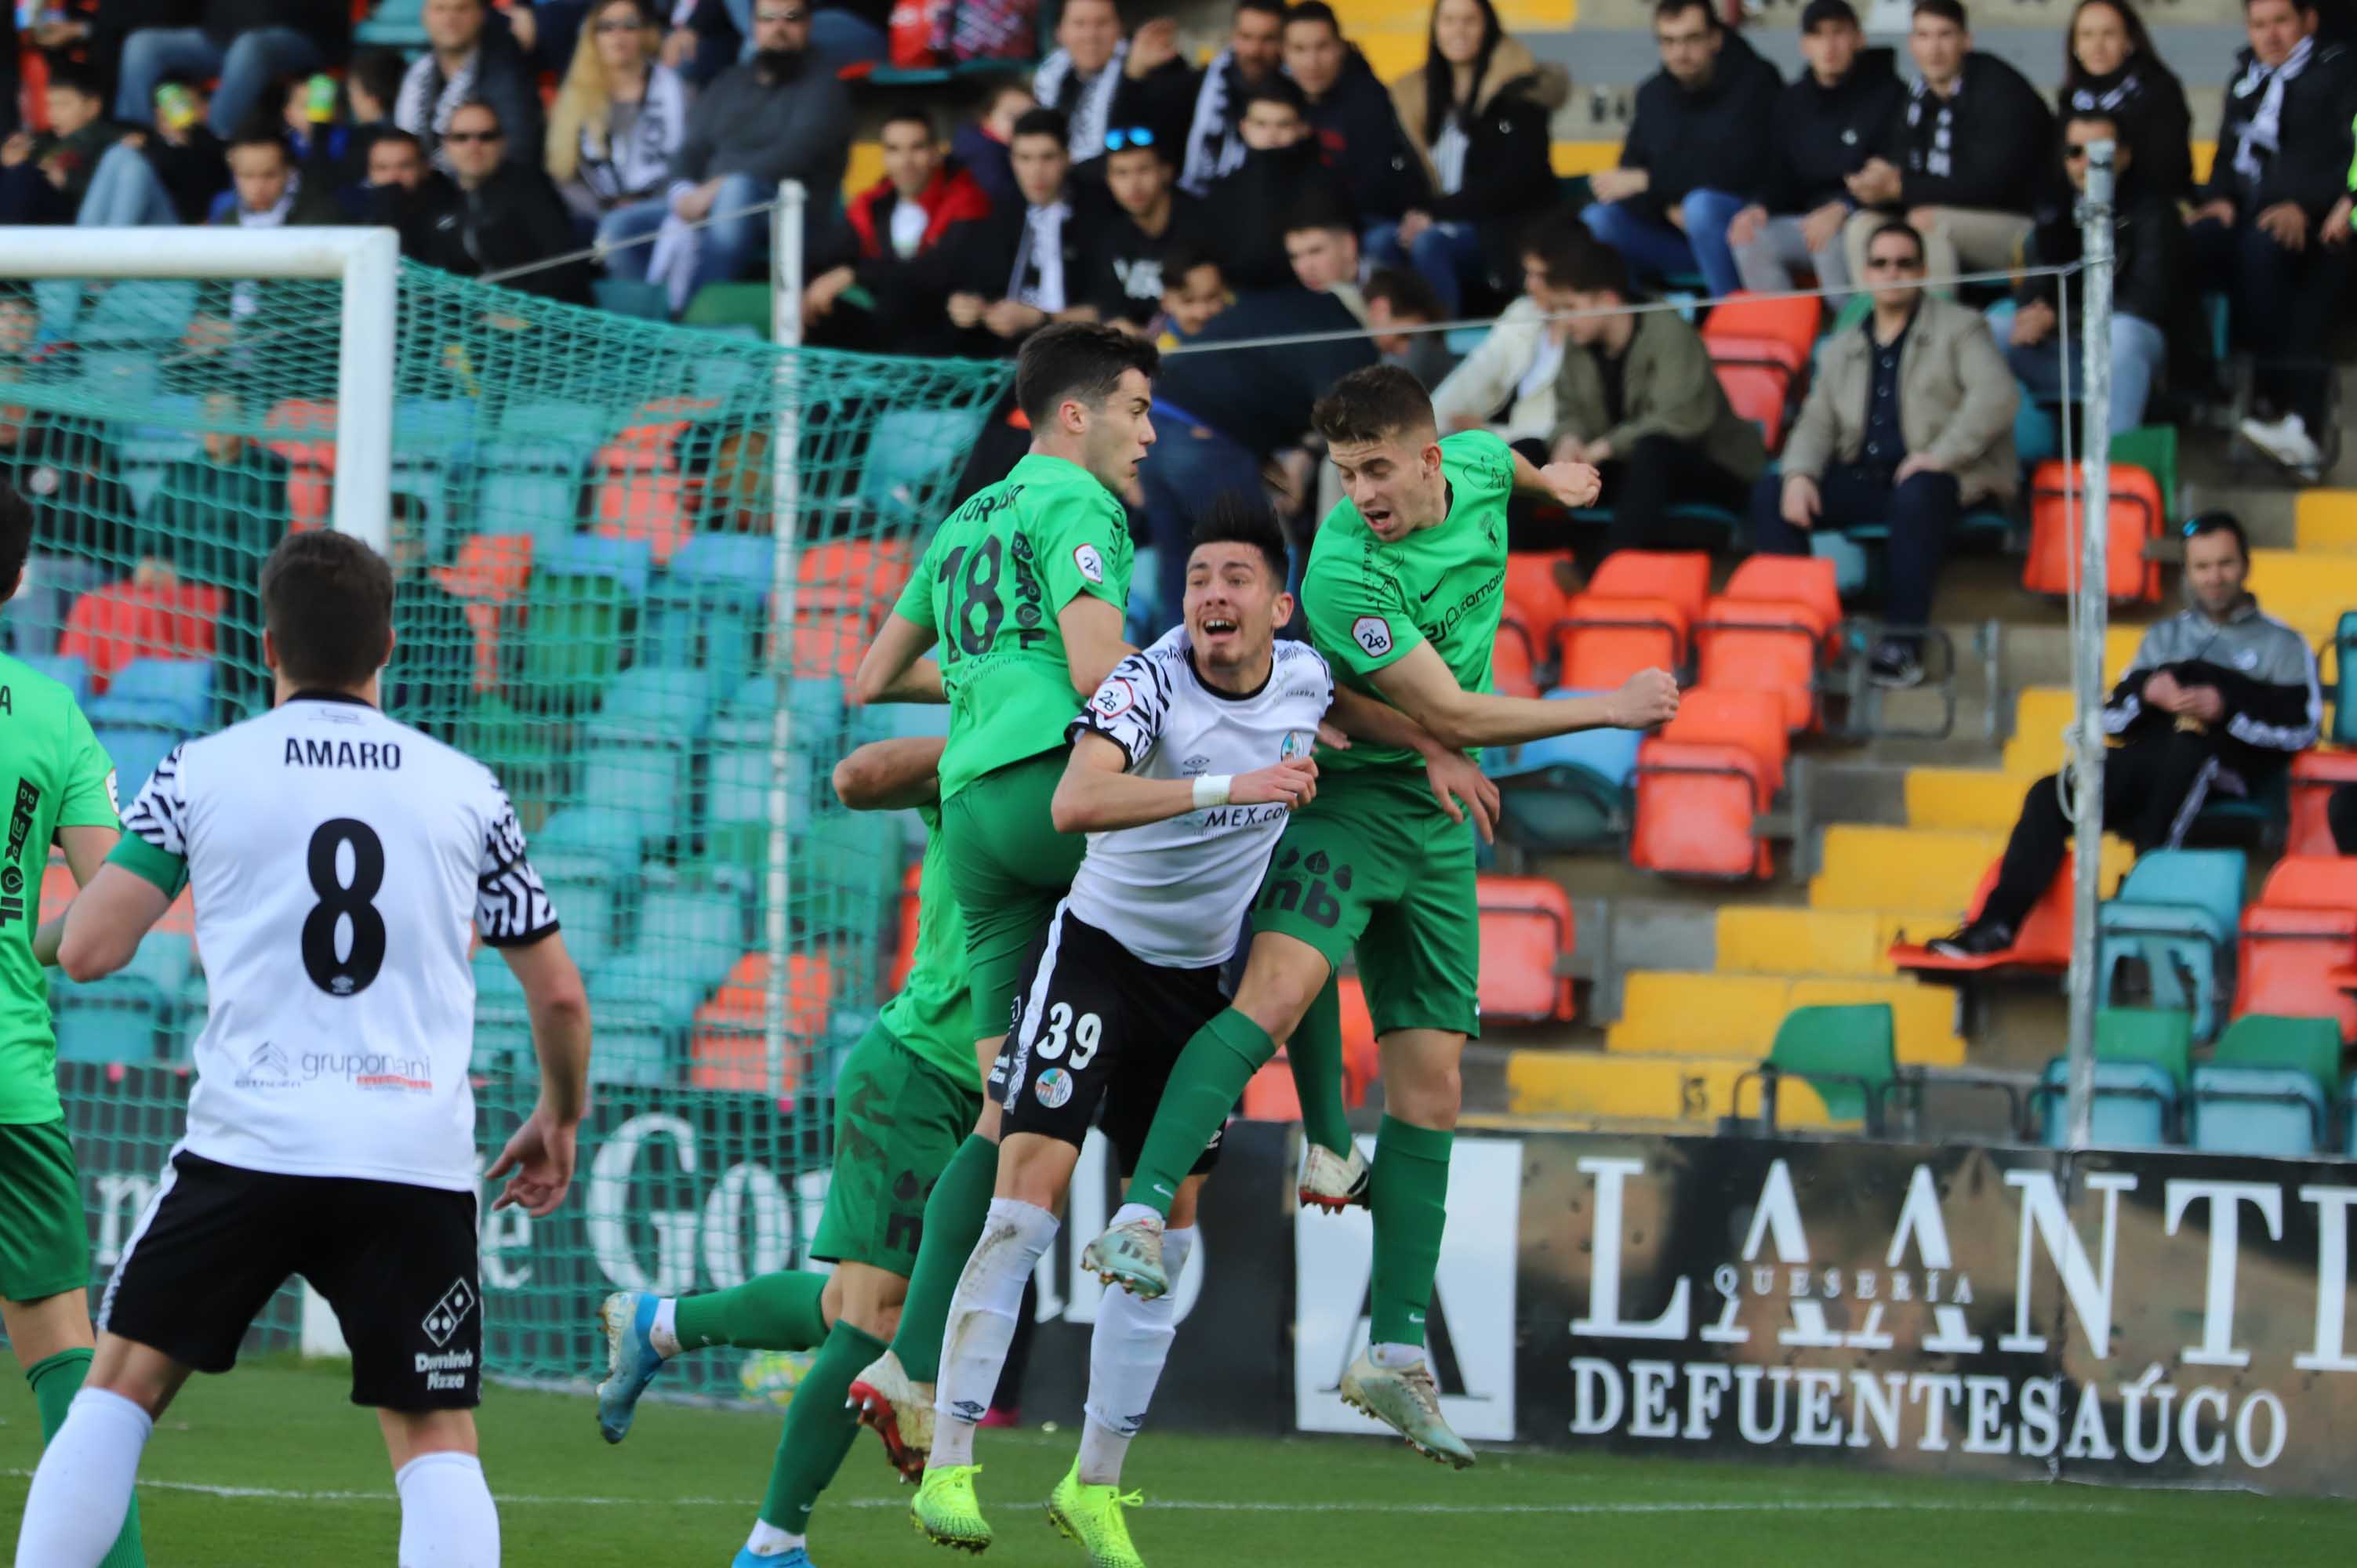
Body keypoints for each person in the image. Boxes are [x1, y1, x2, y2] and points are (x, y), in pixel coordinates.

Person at [1080, 368, 1677, 1470]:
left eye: (1376, 470)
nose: (1358, 493)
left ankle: (1392, 1349)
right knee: (1274, 995)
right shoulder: (1349, 566)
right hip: (1348, 806)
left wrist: (1562, 476)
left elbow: (1512, 461)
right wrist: (1607, 706)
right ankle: (1140, 1213)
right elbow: (1446, 708)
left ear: (1428, 456)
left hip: (1436, 827)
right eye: (1344, 473)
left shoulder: (1483, 463)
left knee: (1435, 1081)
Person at [11, 528, 593, 1568]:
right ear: (389, 646)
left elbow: (94, 948)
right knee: (435, 1442)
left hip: (251, 1144)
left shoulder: (205, 769)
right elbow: (557, 998)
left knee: (122, 1389)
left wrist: (45, 935)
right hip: (409, 1155)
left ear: (267, 643)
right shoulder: (467, 790)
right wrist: (558, 1117)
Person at [910, 504, 1327, 1559]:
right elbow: (1072, 802)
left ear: (1278, 607)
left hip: (1194, 992)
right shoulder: (1149, 681)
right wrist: (1231, 786)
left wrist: (1446, 757)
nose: (1211, 598)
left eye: (1235, 579)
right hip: (1095, 958)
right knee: (1026, 1202)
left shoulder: (1308, 683)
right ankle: (948, 1465)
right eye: (1195, 578)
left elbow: (1372, 723)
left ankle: (1095, 1484)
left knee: (1168, 1233)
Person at [840, 324, 1158, 1480]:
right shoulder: (1080, 506)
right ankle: (1229, 1171)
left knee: (1004, 1102)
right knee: (1248, 893)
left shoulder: (966, 517)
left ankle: (906, 1369)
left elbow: (869, 681)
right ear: (1073, 416)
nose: (1147, 434)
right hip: (1041, 792)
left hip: (970, 825)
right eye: (1134, 408)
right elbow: (1094, 677)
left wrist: (985, 669)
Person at [587, 732, 981, 1568]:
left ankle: (660, 1324)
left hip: (985, 1089)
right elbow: (860, 774)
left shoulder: (1108, 790)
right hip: (919, 1071)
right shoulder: (992, 763)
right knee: (877, 1320)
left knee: (847, 1306)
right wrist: (975, 713)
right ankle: (773, 1542)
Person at [1932, 512, 2321, 957]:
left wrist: (2226, 709)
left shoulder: (2282, 644)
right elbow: (2108, 720)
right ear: (2189, 573)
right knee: (2050, 793)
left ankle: (2142, 895)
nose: (2214, 577)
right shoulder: (2163, 637)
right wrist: (2147, 693)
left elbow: (2302, 730)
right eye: (2202, 567)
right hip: (2155, 761)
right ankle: (1996, 926)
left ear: (2245, 566)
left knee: (2190, 752)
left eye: (2225, 564)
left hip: (2227, 770)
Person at [0, 482, 147, 1568]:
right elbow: (111, 906)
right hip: (10, 1080)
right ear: (17, 579)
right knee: (63, 1352)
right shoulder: (50, 713)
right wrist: (34, 941)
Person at [1749, 220, 2015, 689]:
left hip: (1946, 477)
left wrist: (1939, 454)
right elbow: (1815, 421)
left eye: (1904, 263)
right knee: (1771, 492)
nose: (1893, 273)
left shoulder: (1961, 326)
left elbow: (1996, 394)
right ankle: (1802, 638)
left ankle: (1903, 645)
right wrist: (1799, 475)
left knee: (1917, 492)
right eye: (1881, 263)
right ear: (1865, 274)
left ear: (1923, 270)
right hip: (1870, 478)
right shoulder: (1842, 347)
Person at [1135, 195, 1382, 624]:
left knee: (1180, 574)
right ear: (1381, 310)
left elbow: (1252, 385)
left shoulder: (1288, 305)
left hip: (1155, 423)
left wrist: (1282, 460)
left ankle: (1171, 682)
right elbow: (1348, 421)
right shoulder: (1345, 332)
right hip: (1202, 437)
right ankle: (1285, 677)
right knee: (1257, 568)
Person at [595, 0, 852, 306]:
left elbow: (796, 152)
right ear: (754, 26)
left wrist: (719, 187)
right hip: (711, 204)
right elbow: (691, 149)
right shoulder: (730, 82)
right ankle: (650, 325)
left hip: (791, 214)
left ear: (807, 25)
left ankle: (692, 316)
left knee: (736, 192)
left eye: (791, 19)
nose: (778, 28)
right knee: (618, 229)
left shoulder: (824, 87)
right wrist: (682, 191)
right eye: (768, 19)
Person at [2193, 0, 2355, 474]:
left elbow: (2340, 157)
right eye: (2259, 25)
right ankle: (2197, 392)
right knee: (2189, 241)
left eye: (2282, 22)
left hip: (2323, 222)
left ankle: (2277, 399)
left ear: (2310, 21)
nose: (2271, 36)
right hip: (2250, 216)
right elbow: (2227, 152)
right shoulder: (2245, 74)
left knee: (2267, 253)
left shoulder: (2341, 72)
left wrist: (2306, 205)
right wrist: (2219, 196)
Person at [1545, 240, 1766, 555]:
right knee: (1526, 453)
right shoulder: (1579, 342)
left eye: (1570, 308)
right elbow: (1569, 408)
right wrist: (1568, 438)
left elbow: (1680, 419)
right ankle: (1502, 573)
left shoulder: (1669, 333)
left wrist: (1605, 447)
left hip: (1712, 466)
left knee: (1653, 450)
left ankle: (1611, 566)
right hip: (1628, 468)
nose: (1563, 321)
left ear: (1607, 300)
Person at [1840, 0, 2053, 290]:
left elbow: (1989, 185)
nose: (1934, 49)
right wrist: (1878, 179)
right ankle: (1879, 327)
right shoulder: (1916, 94)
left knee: (1924, 222)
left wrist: (1901, 188)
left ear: (1967, 40)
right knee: (1861, 227)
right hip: (1942, 214)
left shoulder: (2000, 89)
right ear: (1912, 43)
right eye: (1924, 36)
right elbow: (1902, 158)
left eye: (1945, 35)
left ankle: (1940, 329)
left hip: (2022, 228)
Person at [1374, 0, 1564, 317]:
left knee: (1429, 244)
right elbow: (1401, 171)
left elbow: (1515, 182)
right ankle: (1396, 349)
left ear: (1488, 26)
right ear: (1435, 29)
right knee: (1381, 242)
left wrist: (1433, 214)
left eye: (1469, 21)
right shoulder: (1413, 95)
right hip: (1434, 219)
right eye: (1449, 20)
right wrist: (1415, 214)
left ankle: (1439, 345)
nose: (1458, 31)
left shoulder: (1520, 92)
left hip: (1499, 230)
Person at [1582, 0, 1778, 299]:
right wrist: (1665, 205)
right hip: (1674, 233)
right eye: (1668, 41)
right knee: (1598, 220)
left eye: (1691, 39)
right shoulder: (1653, 94)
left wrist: (1653, 183)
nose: (1679, 53)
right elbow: (1625, 178)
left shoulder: (1757, 80)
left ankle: (1731, 321)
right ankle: (1641, 328)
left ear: (1716, 38)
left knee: (1702, 207)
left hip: (1742, 229)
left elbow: (1741, 169)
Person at [2007, 113, 2184, 436]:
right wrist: (2031, 310)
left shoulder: (2155, 212)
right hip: (2068, 344)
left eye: (2099, 151)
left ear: (2124, 155)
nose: (2085, 162)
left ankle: (2114, 468)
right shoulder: (2054, 207)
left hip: (2139, 349)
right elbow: (2037, 281)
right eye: (2075, 152)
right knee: (1991, 328)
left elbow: (2146, 303)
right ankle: (2014, 461)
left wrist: (2060, 319)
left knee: (2122, 335)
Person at [1727, 0, 1905, 299]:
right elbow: (1780, 175)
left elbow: (1891, 175)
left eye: (1838, 33)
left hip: (1866, 220)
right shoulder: (1792, 101)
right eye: (1818, 36)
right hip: (1810, 222)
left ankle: (1850, 335)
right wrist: (1759, 206)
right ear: (1804, 45)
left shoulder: (1890, 95)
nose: (1829, 46)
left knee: (1827, 237)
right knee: (1749, 237)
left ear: (1858, 39)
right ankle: (1784, 336)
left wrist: (1844, 207)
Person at [134, 394, 289, 725]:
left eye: (226, 415)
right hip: (172, 583)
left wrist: (183, 571)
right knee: (100, 603)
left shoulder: (268, 472)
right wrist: (150, 558)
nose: (216, 426)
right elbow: (153, 529)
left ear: (243, 421)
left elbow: (255, 553)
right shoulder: (184, 472)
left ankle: (218, 720)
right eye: (210, 415)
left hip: (235, 591)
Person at [803, 107, 992, 350]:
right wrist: (805, 288)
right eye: (894, 150)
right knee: (815, 313)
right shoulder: (873, 205)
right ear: (884, 157)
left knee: (897, 301)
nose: (905, 162)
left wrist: (855, 274)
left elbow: (936, 273)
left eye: (917, 148)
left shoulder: (966, 201)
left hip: (945, 334)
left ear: (936, 153)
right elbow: (827, 254)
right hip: (890, 332)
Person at [910, 107, 1093, 358]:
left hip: (1083, 355)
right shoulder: (1002, 214)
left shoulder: (1096, 214)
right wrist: (967, 306)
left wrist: (1042, 318)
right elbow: (977, 285)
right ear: (1012, 161)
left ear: (1067, 158)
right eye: (1025, 158)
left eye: (1047, 157)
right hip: (1012, 356)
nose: (1035, 171)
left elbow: (1110, 308)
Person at [406, 100, 597, 305]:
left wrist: (522, 315)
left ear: (502, 143)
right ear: (446, 145)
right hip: (474, 321)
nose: (474, 146)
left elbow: (561, 265)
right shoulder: (442, 198)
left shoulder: (530, 187)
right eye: (461, 137)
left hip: (539, 320)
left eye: (486, 137)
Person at [1432, 208, 1583, 448]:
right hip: (1494, 443)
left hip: (1536, 455)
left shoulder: (1588, 332)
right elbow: (1476, 371)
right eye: (1527, 273)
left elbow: (1559, 430)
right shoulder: (1523, 312)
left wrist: (1488, 434)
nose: (1528, 284)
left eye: (1539, 275)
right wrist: (1429, 423)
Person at [0, 390, 134, 655]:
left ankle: (35, 679)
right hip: (31, 564)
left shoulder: (74, 443)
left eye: (11, 405)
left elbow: (86, 530)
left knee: (30, 575)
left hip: (91, 567)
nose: (2, 415)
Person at [1109, 0, 1285, 196]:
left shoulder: (1298, 95)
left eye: (1267, 39)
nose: (1254, 50)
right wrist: (1136, 74)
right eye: (1246, 37)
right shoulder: (1199, 87)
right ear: (1233, 35)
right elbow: (1128, 131)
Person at [1284, 2, 1429, 231]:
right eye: (1300, 49)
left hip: (1370, 224)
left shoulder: (1370, 100)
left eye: (1322, 47)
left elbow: (1377, 190)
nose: (1312, 62)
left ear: (1341, 47)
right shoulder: (1279, 101)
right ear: (1285, 53)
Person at [546, 0, 692, 230]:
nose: (619, 35)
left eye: (630, 25)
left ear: (646, 33)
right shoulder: (572, 102)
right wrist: (604, 213)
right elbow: (565, 175)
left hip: (669, 210)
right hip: (602, 220)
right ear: (593, 36)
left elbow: (694, 157)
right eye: (607, 27)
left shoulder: (678, 91)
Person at [113, 0, 348, 140]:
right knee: (143, 45)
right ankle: (140, 138)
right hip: (221, 37)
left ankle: (212, 142)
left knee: (249, 46)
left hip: (300, 34)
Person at [1200, 75, 1342, 292]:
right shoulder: (1222, 191)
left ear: (1303, 128)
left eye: (1283, 125)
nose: (1272, 135)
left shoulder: (1326, 186)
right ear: (1244, 127)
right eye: (1261, 124)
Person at [2058, 0, 2193, 200]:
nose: (2098, 46)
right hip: (2082, 212)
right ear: (2075, 45)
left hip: (2150, 211)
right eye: (2087, 35)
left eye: (2109, 34)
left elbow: (2170, 172)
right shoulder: (2071, 97)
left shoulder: (2159, 90)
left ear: (2129, 40)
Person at [395, 0, 544, 173]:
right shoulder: (417, 72)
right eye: (439, 9)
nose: (449, 19)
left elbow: (518, 151)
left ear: (481, 15)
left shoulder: (507, 73)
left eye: (461, 9)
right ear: (424, 17)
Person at [1080, 124, 1203, 331]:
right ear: (1109, 180)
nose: (1133, 185)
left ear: (1166, 172)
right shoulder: (1111, 236)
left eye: (1143, 170)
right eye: (1122, 173)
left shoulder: (1201, 226)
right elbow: (1110, 308)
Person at [1033, 0, 1187, 165]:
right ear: (1060, 32)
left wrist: (1133, 78)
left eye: (1102, 23)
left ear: (1120, 27)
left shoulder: (1150, 65)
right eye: (1079, 24)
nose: (1091, 35)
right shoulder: (1052, 76)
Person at [74, 74, 227, 229]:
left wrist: (186, 138)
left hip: (181, 227)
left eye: (187, 104)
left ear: (205, 108)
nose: (177, 110)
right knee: (118, 152)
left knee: (135, 168)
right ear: (157, 112)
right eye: (171, 104)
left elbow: (198, 191)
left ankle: (110, 246)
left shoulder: (212, 145)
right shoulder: (147, 140)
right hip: (143, 221)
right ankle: (84, 242)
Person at [954, 82, 1037, 212]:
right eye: (1013, 117)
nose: (1023, 124)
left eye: (1031, 117)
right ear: (986, 119)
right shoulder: (986, 155)